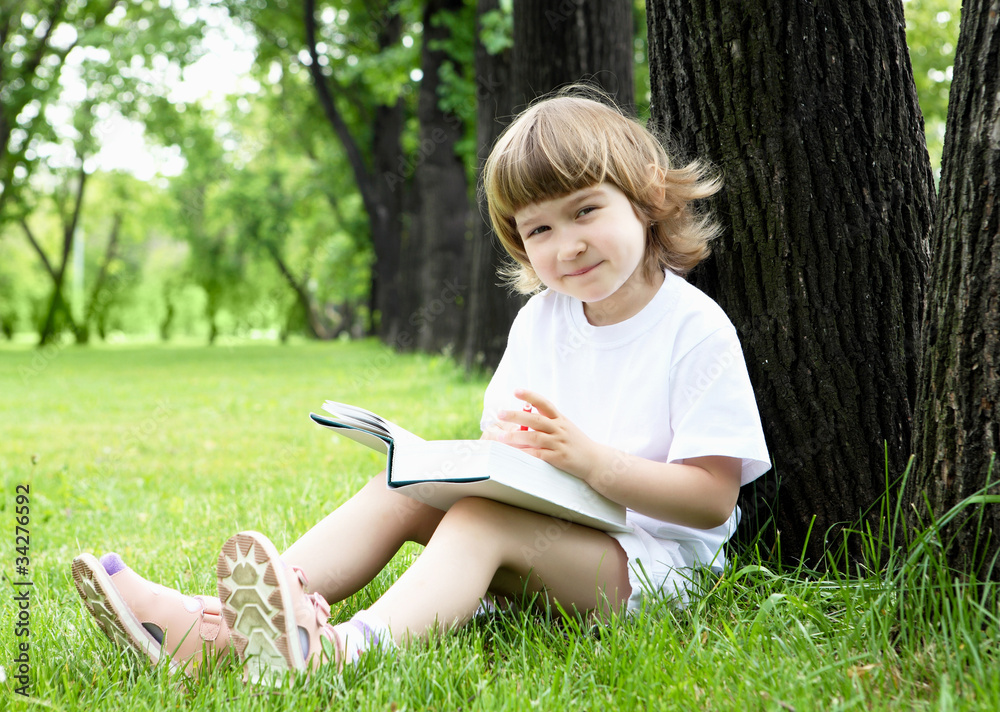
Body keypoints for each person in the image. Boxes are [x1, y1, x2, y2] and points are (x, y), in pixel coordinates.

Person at [72, 89, 770, 685]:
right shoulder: (543, 320)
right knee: (397, 488)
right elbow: (510, 438)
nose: (568, 245)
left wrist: (589, 461)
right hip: (551, 527)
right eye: (539, 230)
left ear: (646, 196)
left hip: (644, 567)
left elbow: (710, 501)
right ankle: (225, 628)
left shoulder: (692, 329)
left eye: (586, 211)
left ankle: (336, 652)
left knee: (480, 519)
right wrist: (497, 454)